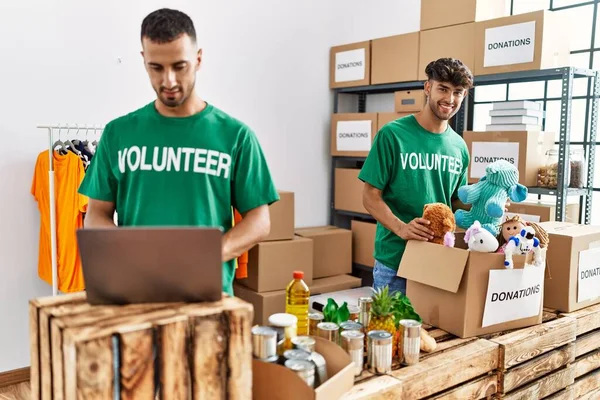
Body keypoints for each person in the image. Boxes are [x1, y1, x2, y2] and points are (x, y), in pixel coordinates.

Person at [78, 8, 279, 296]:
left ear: (198, 59)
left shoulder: (235, 136)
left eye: (179, 66)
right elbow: (96, 215)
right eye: (156, 68)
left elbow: (259, 221)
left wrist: (208, 255)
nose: (169, 81)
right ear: (143, 61)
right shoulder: (118, 134)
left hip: (207, 299)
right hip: (136, 294)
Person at [358, 57, 475, 295]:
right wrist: (401, 228)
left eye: (458, 93)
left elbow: (456, 202)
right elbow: (370, 196)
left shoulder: (459, 147)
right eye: (443, 89)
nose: (450, 100)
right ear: (428, 87)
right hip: (395, 261)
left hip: (438, 260)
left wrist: (488, 203)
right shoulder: (392, 135)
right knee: (389, 331)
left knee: (430, 333)